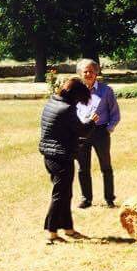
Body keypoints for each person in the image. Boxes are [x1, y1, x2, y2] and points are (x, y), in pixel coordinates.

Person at [39, 78, 96, 244]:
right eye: (80, 98)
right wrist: (92, 121)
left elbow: (62, 129)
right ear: (75, 95)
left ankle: (68, 229)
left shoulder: (52, 102)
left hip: (50, 155)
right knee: (60, 195)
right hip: (61, 157)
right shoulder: (67, 109)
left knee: (66, 193)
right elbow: (82, 130)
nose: (79, 102)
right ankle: (51, 232)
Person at [74, 59, 121, 208]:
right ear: (80, 73)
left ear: (96, 73)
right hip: (81, 133)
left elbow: (115, 113)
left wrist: (108, 129)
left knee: (106, 167)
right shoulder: (76, 91)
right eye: (85, 71)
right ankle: (86, 199)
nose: (88, 74)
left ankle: (109, 198)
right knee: (83, 167)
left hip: (100, 132)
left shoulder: (106, 91)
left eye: (91, 71)